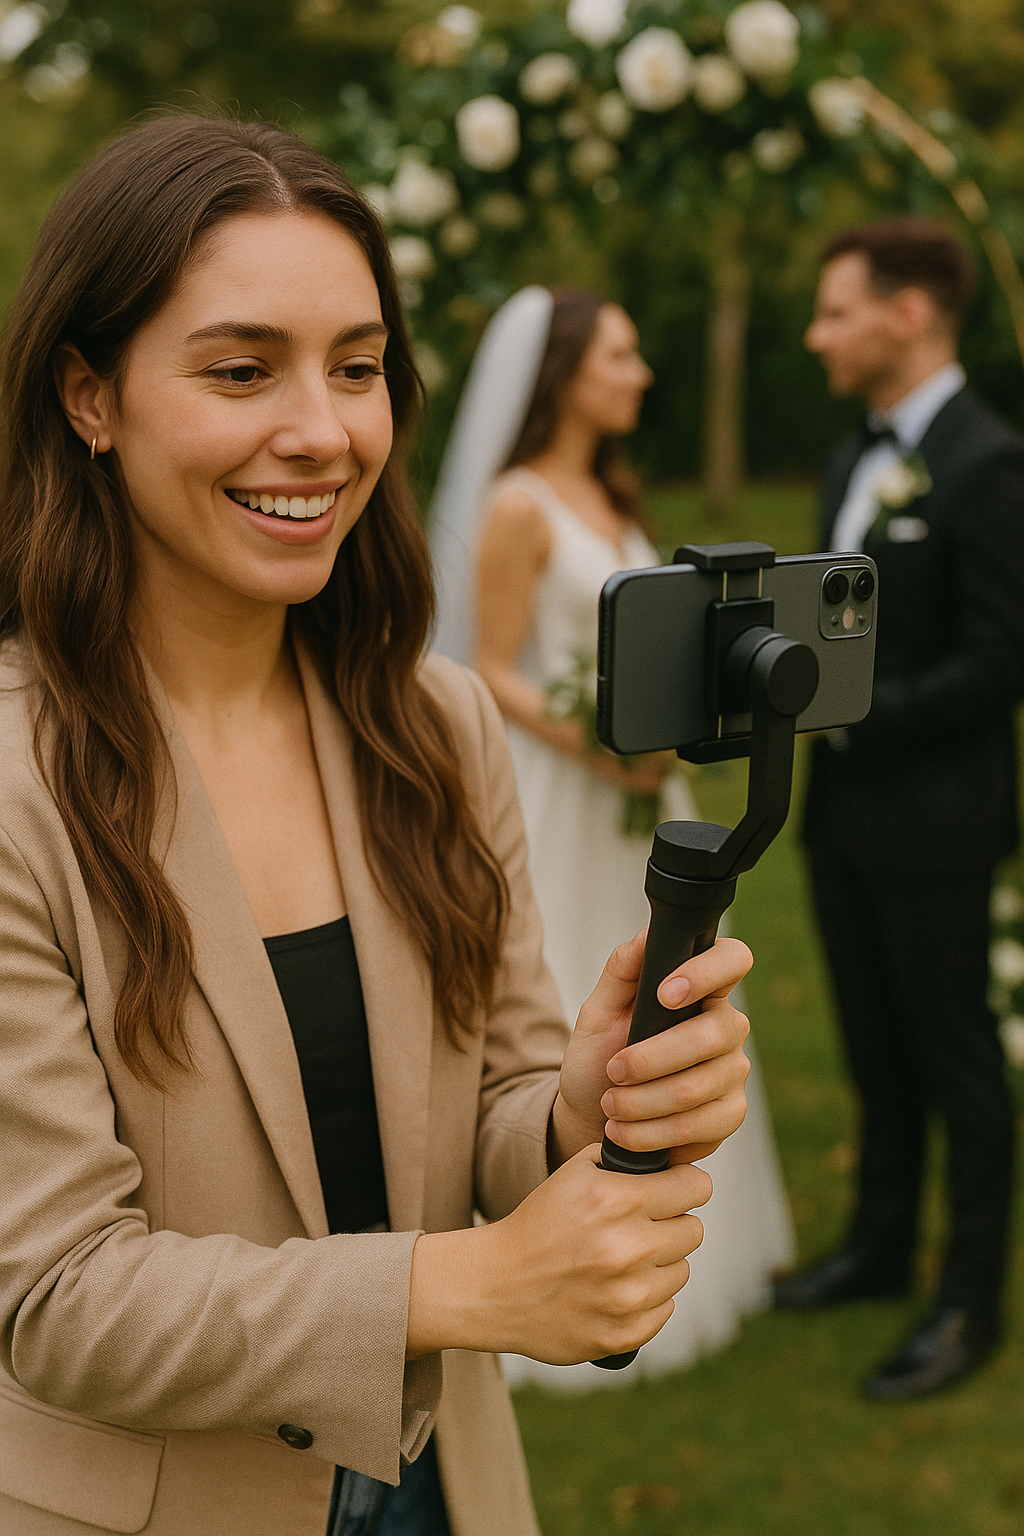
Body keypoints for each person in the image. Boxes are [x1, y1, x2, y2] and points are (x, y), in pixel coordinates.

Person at [0, 116, 758, 1536]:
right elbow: (55, 1298)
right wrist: (472, 1284)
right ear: (87, 396)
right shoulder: (13, 783)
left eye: (358, 368)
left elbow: (494, 1111)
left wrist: (581, 1107)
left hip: (446, 1485)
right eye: (241, 369)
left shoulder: (436, 721)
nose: (325, 430)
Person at [430, 286, 793, 1389]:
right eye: (622, 355)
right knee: (563, 1001)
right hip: (558, 783)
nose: (639, 376)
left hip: (641, 793)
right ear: (567, 371)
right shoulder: (521, 503)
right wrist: (596, 743)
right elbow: (487, 664)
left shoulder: (612, 492)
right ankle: (547, 1241)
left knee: (671, 1007)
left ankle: (668, 1244)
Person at [775, 216, 1024, 1400]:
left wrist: (856, 720)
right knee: (875, 1053)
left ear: (907, 313)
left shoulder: (989, 466)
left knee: (953, 1055)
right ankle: (876, 1250)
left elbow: (998, 662)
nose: (817, 335)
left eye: (835, 310)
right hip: (840, 824)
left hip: (936, 825)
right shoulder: (848, 460)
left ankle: (971, 1300)